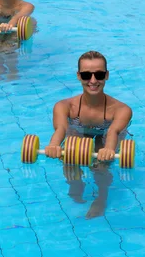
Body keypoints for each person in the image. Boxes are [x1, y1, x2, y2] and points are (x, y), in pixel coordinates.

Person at [45, 51, 133, 218]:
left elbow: (114, 131)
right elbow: (61, 129)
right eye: (86, 75)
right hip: (78, 127)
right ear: (79, 76)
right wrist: (54, 145)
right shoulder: (65, 106)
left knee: (100, 165)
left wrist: (108, 150)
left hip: (106, 130)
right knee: (69, 157)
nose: (93, 81)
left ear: (106, 75)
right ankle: (75, 183)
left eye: (99, 74)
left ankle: (102, 197)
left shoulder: (121, 110)